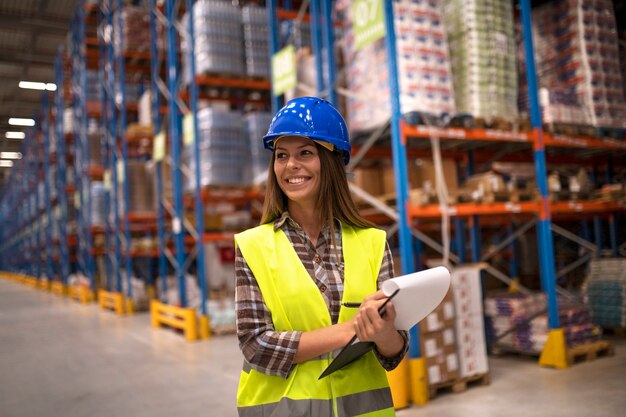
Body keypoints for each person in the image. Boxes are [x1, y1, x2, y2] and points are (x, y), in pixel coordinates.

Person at [234, 96, 408, 417]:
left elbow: (393, 354)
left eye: (305, 153)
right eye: (281, 155)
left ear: (332, 162)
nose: (290, 166)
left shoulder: (373, 242)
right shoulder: (253, 246)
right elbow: (256, 345)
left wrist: (383, 331)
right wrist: (351, 330)